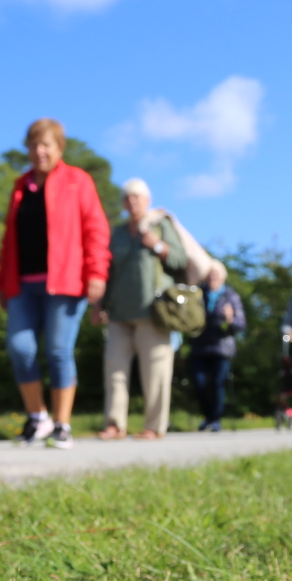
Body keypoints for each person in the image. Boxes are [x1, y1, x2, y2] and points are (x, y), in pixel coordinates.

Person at [0, 118, 110, 449]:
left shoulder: (78, 181)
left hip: (65, 282)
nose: (39, 151)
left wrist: (97, 273)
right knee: (20, 347)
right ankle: (38, 418)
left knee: (58, 350)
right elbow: (9, 240)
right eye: (33, 145)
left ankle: (62, 424)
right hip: (22, 284)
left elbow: (95, 230)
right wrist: (2, 282)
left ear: (60, 148)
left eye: (46, 144)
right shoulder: (20, 186)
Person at [94, 178, 187, 440]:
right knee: (114, 370)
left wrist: (156, 245)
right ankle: (114, 424)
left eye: (137, 196)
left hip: (153, 312)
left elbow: (180, 260)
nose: (131, 201)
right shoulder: (119, 233)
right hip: (119, 312)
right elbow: (109, 271)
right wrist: (100, 303)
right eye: (127, 197)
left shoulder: (161, 225)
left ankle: (154, 426)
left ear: (147, 200)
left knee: (156, 372)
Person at [188, 261, 246, 432]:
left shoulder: (231, 296)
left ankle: (215, 419)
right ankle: (207, 416)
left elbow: (240, 324)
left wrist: (230, 318)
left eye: (216, 274)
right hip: (199, 346)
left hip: (222, 348)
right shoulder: (198, 293)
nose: (212, 277)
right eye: (210, 273)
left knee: (217, 383)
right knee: (199, 384)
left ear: (223, 277)